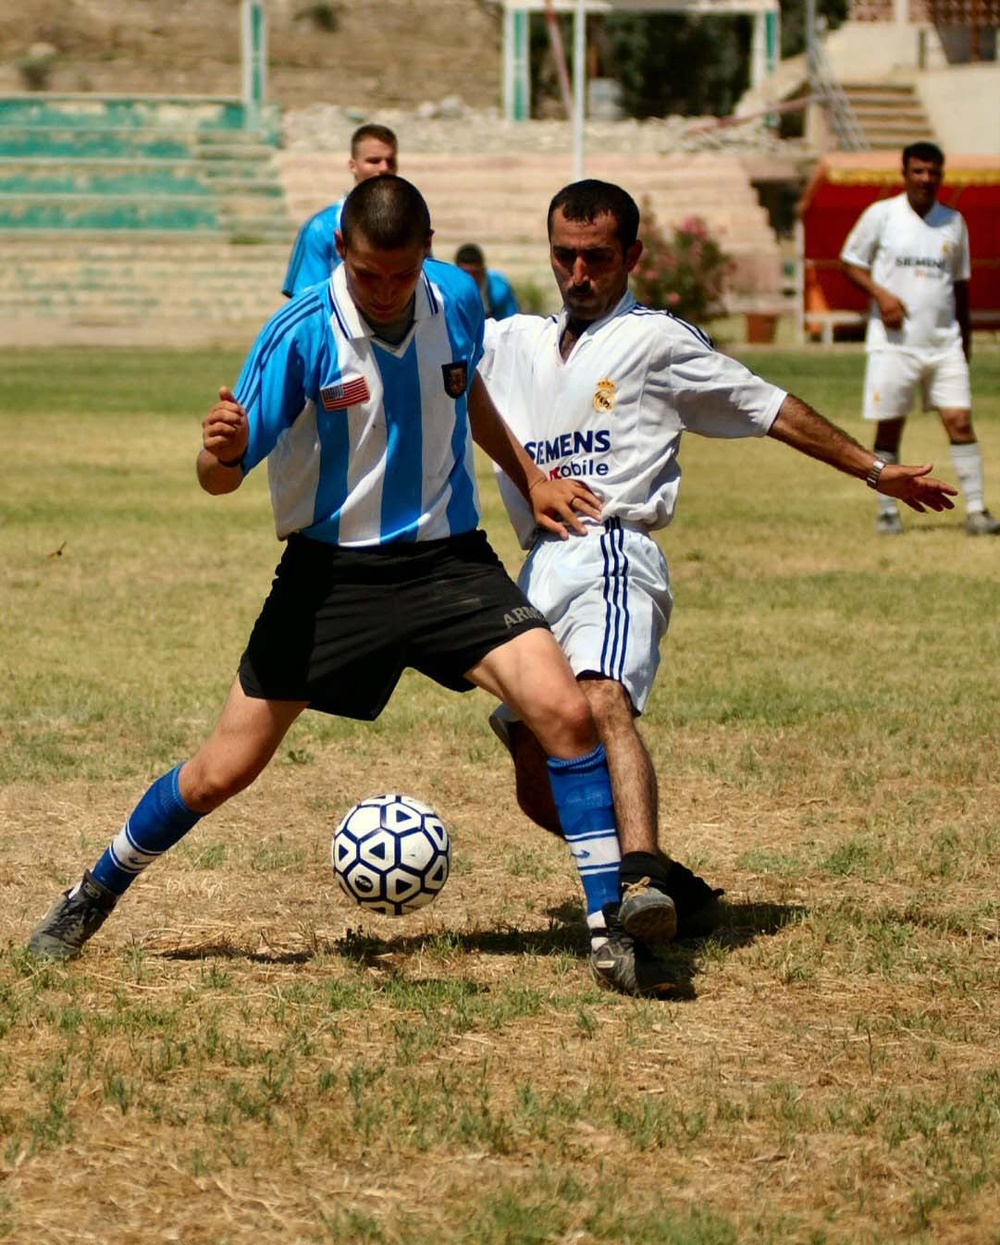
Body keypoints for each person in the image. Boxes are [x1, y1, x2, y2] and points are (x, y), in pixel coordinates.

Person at [28, 176, 680, 998]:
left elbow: (465, 386)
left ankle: (610, 931)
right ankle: (93, 892)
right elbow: (216, 478)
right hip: (330, 579)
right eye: (369, 274)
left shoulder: (456, 299)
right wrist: (221, 450)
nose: (385, 291)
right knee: (222, 770)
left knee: (564, 711)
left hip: (449, 562)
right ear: (343, 252)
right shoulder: (300, 333)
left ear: (426, 257)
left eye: (402, 274)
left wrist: (528, 473)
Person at [477, 179, 958, 946]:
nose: (579, 273)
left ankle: (635, 885)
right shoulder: (513, 343)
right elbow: (431, 347)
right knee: (539, 775)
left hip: (611, 548)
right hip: (536, 568)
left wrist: (874, 469)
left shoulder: (657, 341)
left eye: (597, 257)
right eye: (564, 256)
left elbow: (769, 407)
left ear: (631, 255)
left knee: (603, 702)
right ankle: (667, 880)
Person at [840, 141, 999, 537]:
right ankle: (887, 511)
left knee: (960, 420)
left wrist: (964, 341)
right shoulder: (882, 215)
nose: (926, 179)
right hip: (895, 344)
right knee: (890, 426)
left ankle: (978, 511)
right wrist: (882, 295)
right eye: (918, 171)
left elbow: (959, 286)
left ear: (942, 176)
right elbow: (849, 262)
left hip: (943, 343)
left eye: (933, 172)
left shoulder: (953, 222)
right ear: (905, 173)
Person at [281, 123, 398, 299]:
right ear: (353, 165)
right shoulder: (321, 227)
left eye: (390, 161)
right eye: (374, 161)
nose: (383, 168)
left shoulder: (412, 223)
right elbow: (306, 301)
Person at [454, 244, 520, 320]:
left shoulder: (500, 291)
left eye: (475, 273)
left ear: (483, 270)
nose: (471, 279)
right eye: (466, 273)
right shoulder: (447, 290)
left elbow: (511, 322)